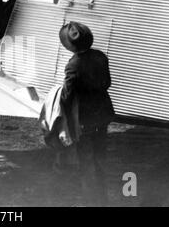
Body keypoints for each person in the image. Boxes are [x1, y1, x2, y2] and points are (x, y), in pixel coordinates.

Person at [58, 21, 115, 206]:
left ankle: (91, 201)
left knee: (85, 161)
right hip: (103, 114)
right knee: (100, 158)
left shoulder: (73, 65)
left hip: (84, 119)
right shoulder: (101, 56)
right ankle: (103, 200)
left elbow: (67, 96)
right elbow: (107, 83)